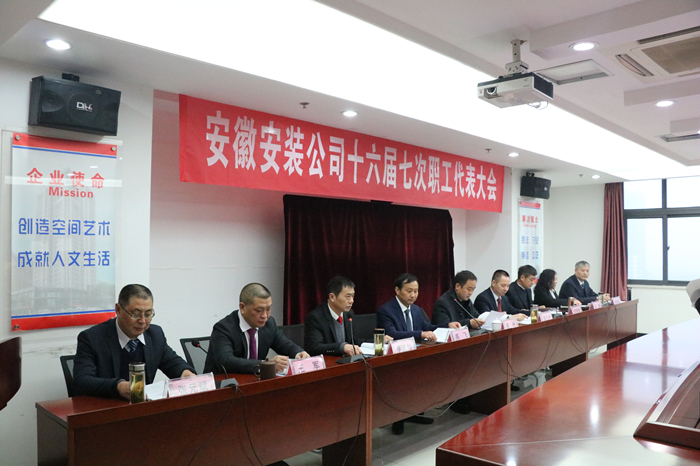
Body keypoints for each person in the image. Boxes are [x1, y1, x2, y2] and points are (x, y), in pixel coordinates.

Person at [73, 284, 195, 400]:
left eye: (148, 314)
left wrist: (185, 373)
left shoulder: (155, 334)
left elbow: (172, 362)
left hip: (143, 407)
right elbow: (82, 381)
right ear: (118, 309)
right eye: (136, 314)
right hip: (106, 407)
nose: (142, 321)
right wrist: (118, 386)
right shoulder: (92, 338)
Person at [377, 273, 459, 434]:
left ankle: (414, 412)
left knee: (423, 379)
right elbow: (391, 334)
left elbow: (427, 327)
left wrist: (447, 325)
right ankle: (398, 419)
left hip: (416, 355)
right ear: (397, 290)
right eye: (409, 291)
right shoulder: (385, 310)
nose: (413, 295)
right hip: (396, 359)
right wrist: (420, 334)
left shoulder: (416, 310)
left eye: (416, 291)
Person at [204, 283, 310, 375]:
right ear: (242, 307)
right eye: (259, 310)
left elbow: (285, 345)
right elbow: (226, 362)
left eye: (268, 309)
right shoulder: (224, 328)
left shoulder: (269, 324)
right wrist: (267, 365)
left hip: (254, 381)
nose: (265, 315)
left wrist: (299, 353)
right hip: (224, 384)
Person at [305, 276, 391, 356]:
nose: (351, 301)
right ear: (332, 297)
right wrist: (342, 347)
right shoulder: (316, 317)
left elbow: (354, 341)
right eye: (348, 296)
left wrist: (378, 342)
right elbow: (314, 348)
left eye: (353, 296)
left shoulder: (348, 314)